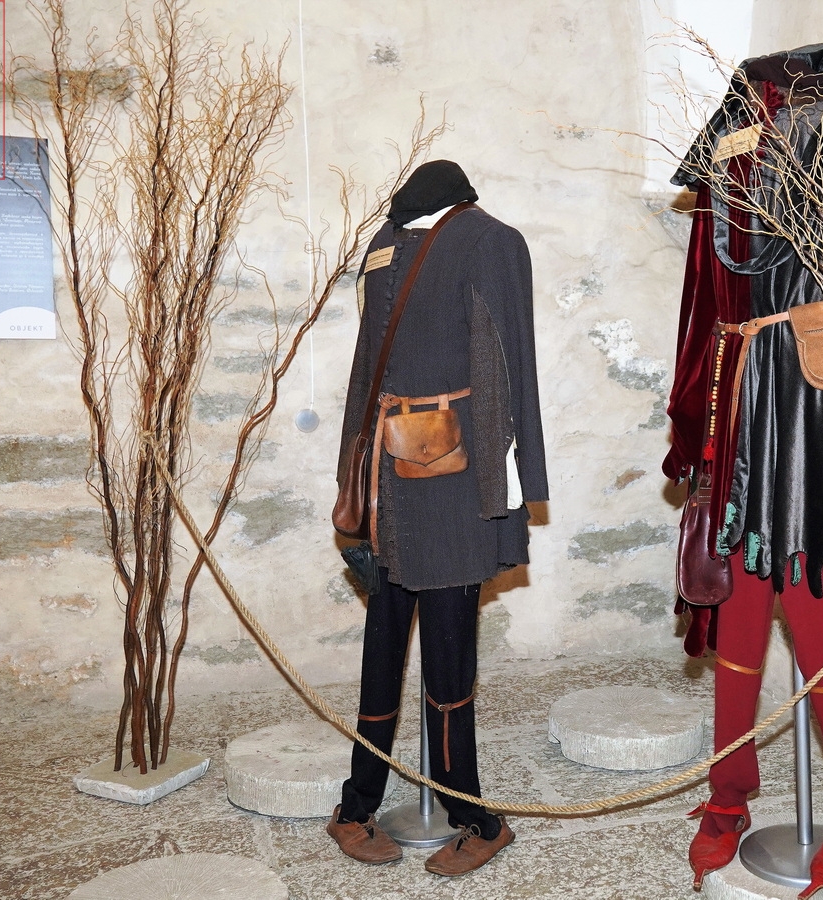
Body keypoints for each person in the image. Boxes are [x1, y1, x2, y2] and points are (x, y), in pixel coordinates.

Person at [662, 43, 823, 897]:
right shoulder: (733, 152)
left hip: (819, 414)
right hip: (745, 405)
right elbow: (704, 300)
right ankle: (728, 795)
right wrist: (698, 429)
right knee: (739, 619)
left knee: (818, 625)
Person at [327, 160, 546, 877]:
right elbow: (365, 367)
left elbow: (511, 365)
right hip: (388, 487)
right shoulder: (383, 243)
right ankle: (355, 805)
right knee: (382, 651)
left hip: (455, 482)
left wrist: (513, 487)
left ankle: (475, 818)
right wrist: (352, 467)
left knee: (449, 664)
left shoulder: (491, 241)